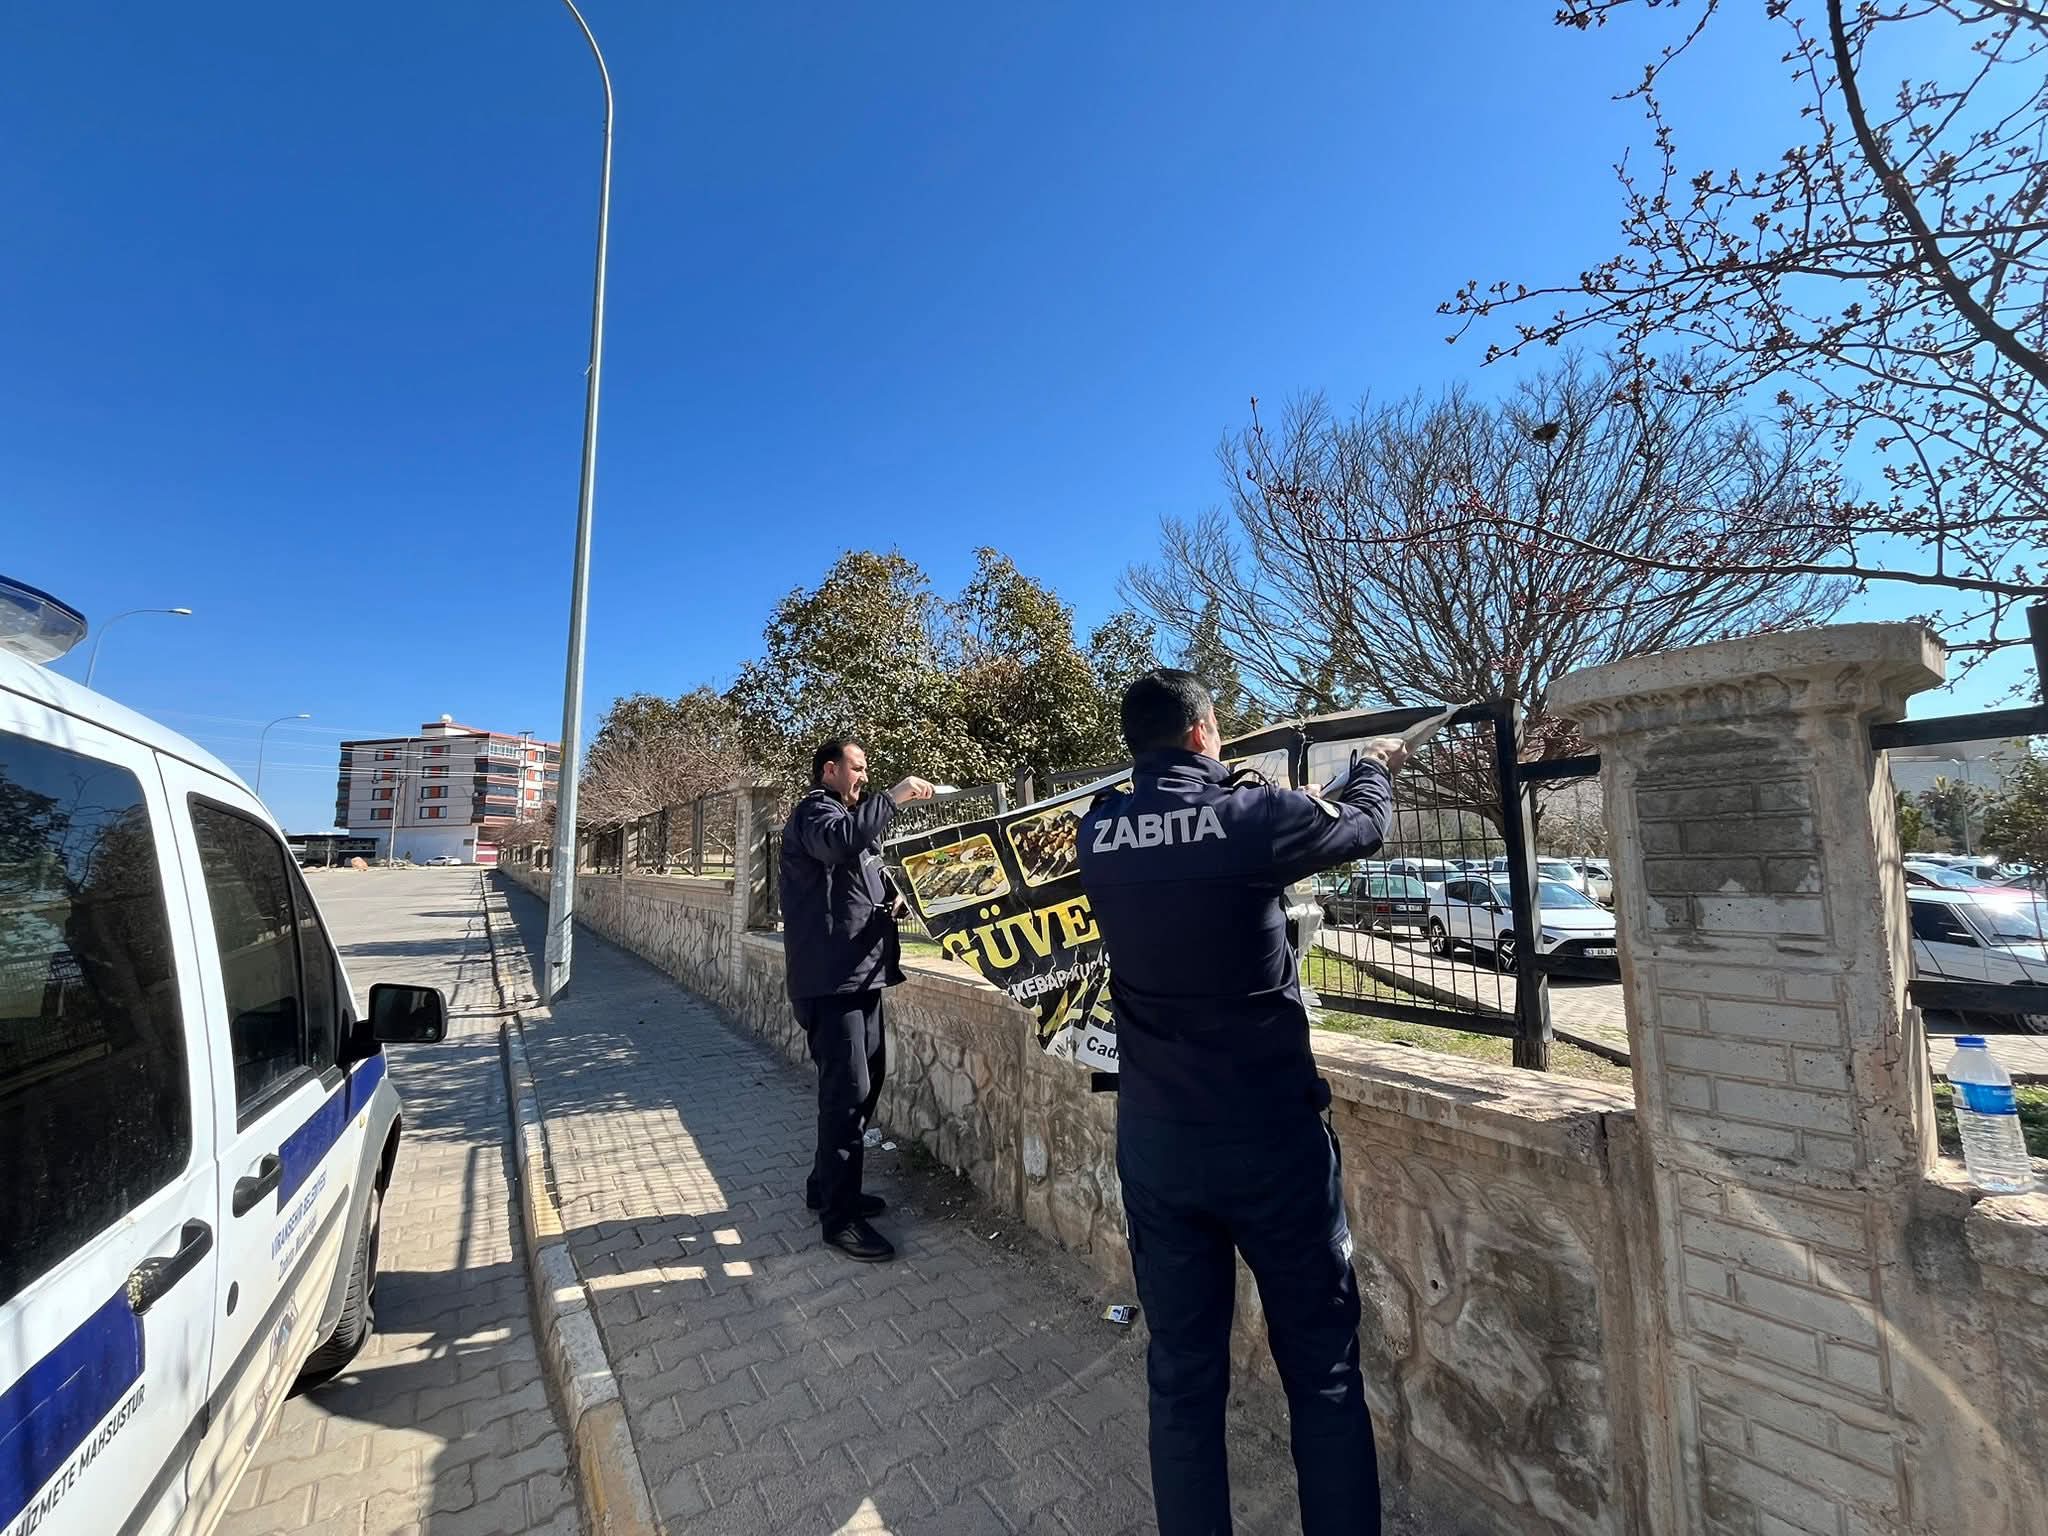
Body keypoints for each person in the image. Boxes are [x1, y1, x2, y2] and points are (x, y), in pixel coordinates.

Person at [1076, 670, 1406, 1536]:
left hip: (1159, 1148)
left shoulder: (1098, 831)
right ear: (1202, 732)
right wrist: (1373, 764)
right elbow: (1363, 824)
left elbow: (1178, 844)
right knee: (1323, 1375)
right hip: (1272, 1145)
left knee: (1182, 1381)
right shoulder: (1252, 817)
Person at [779, 738, 933, 1262]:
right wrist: (894, 795)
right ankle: (839, 1221)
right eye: (857, 768)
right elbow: (839, 844)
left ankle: (826, 1186)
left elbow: (854, 880)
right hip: (831, 984)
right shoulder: (815, 813)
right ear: (830, 770)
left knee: (866, 1086)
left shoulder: (846, 821)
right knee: (845, 1096)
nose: (863, 777)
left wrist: (891, 903)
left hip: (861, 978)